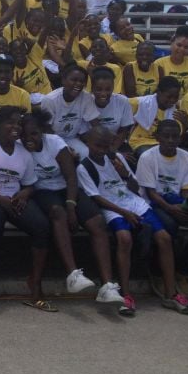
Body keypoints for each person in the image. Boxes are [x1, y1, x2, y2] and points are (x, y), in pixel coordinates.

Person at [77, 127, 188, 315]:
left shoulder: (117, 158)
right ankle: (125, 294)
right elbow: (96, 198)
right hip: (112, 208)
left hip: (133, 202)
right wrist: (124, 213)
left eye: (106, 146)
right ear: (88, 144)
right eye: (98, 146)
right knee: (124, 238)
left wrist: (125, 174)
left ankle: (171, 294)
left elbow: (134, 188)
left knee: (164, 238)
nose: (102, 150)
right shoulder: (84, 167)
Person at [20, 110, 124, 304]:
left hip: (67, 188)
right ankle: (73, 274)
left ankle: (107, 285)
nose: (28, 138)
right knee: (57, 212)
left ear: (42, 131)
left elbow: (71, 177)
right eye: (24, 135)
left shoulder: (55, 143)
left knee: (97, 221)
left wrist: (71, 206)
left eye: (33, 134)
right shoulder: (20, 147)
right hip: (42, 191)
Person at [0, 106, 54, 311]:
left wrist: (25, 194)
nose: (15, 127)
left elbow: (30, 183)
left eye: (19, 124)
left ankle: (35, 282)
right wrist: (0, 199)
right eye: (10, 122)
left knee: (41, 226)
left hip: (13, 197)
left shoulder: (24, 152)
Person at [135, 119, 188, 286]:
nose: (171, 140)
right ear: (157, 137)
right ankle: (157, 269)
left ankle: (184, 266)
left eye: (175, 136)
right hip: (153, 202)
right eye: (166, 136)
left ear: (180, 138)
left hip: (175, 199)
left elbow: (186, 190)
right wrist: (171, 209)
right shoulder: (147, 157)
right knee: (169, 223)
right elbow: (151, 193)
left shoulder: (187, 157)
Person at [40, 63, 99, 158]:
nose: (78, 84)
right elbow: (47, 129)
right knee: (66, 158)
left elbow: (95, 123)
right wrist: (65, 148)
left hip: (72, 138)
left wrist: (104, 141)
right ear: (63, 80)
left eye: (82, 81)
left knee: (87, 155)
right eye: (74, 80)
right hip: (52, 140)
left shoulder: (86, 97)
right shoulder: (50, 100)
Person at [129, 76, 181, 156]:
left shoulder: (177, 110)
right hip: (141, 142)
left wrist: (186, 125)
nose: (173, 100)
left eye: (176, 97)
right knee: (152, 155)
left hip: (166, 144)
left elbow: (177, 136)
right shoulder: (140, 103)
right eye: (169, 97)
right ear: (159, 92)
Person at [88, 67, 134, 152]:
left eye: (108, 89)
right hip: (92, 144)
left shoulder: (123, 101)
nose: (103, 93)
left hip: (115, 142)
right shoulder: (86, 102)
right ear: (92, 88)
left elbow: (123, 131)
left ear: (113, 88)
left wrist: (112, 150)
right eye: (99, 89)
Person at [154, 25, 188, 97]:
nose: (182, 49)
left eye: (186, 47)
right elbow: (158, 90)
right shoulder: (159, 63)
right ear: (172, 42)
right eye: (179, 45)